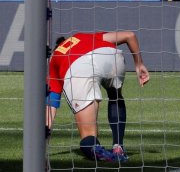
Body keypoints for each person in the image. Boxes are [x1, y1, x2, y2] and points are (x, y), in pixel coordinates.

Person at [45, 31, 150, 162]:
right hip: (111, 57)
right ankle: (118, 146)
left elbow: (50, 108)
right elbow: (130, 36)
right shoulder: (81, 36)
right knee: (115, 95)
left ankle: (98, 151)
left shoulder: (54, 59)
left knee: (88, 137)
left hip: (79, 68)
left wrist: (42, 140)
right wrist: (139, 64)